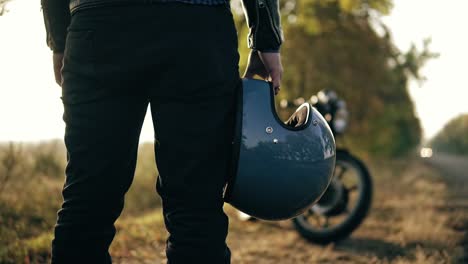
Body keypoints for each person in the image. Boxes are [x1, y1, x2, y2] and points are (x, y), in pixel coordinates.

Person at [41, 0, 283, 262]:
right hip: (197, 30)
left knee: (87, 201)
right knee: (196, 207)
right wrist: (265, 37)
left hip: (99, 28)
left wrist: (59, 37)